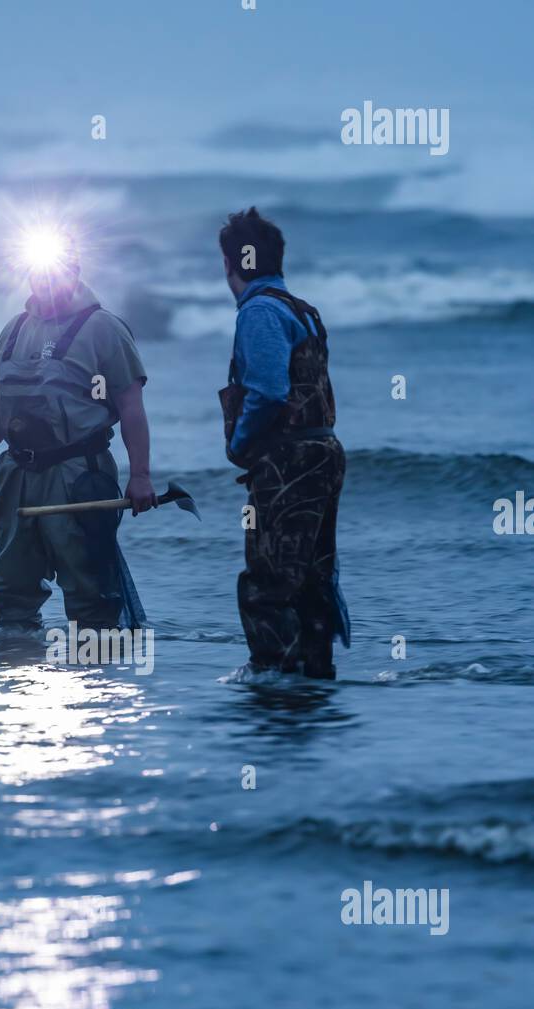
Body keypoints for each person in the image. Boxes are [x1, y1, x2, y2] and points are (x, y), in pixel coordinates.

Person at [0, 231, 156, 633]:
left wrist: (141, 475)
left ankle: (97, 681)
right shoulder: (13, 330)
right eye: (38, 272)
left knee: (89, 588)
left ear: (75, 271)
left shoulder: (104, 328)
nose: (45, 282)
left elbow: (131, 405)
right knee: (11, 585)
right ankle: (16, 667)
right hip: (16, 475)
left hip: (78, 474)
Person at [219, 207, 349, 679]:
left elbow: (270, 391)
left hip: (288, 459)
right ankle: (313, 674)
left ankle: (272, 676)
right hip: (324, 450)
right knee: (312, 577)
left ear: (230, 264)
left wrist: (239, 441)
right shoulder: (302, 310)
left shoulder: (258, 312)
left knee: (269, 578)